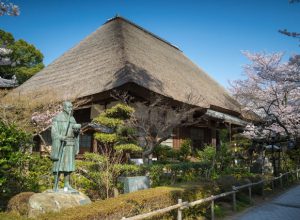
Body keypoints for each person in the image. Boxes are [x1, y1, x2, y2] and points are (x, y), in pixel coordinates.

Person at [51, 101, 81, 192]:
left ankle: (67, 184)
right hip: (61, 145)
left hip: (70, 144)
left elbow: (75, 133)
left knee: (68, 165)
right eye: (68, 107)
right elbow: (54, 132)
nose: (70, 109)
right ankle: (55, 184)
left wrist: (76, 131)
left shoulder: (72, 119)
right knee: (59, 165)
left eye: (71, 107)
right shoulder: (57, 118)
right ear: (64, 107)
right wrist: (60, 137)